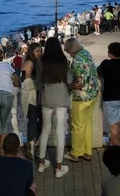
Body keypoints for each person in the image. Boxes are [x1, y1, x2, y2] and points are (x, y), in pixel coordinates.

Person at [37, 37, 70, 178]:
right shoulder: (64, 62)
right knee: (60, 132)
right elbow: (68, 80)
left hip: (47, 99)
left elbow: (38, 83)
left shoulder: (41, 62)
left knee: (45, 130)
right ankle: (59, 166)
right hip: (62, 98)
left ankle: (41, 163)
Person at [64, 38, 99, 162]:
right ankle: (87, 152)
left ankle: (76, 153)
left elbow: (79, 83)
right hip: (93, 95)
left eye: (68, 50)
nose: (68, 53)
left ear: (72, 49)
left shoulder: (77, 60)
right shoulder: (86, 53)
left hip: (81, 98)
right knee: (87, 124)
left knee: (77, 126)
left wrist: (68, 86)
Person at [21, 42, 42, 159]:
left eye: (40, 51)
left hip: (35, 95)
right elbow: (27, 82)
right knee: (33, 120)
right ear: (32, 52)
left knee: (38, 119)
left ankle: (33, 141)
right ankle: (31, 143)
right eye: (37, 51)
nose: (39, 53)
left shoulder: (36, 63)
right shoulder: (29, 63)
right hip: (30, 96)